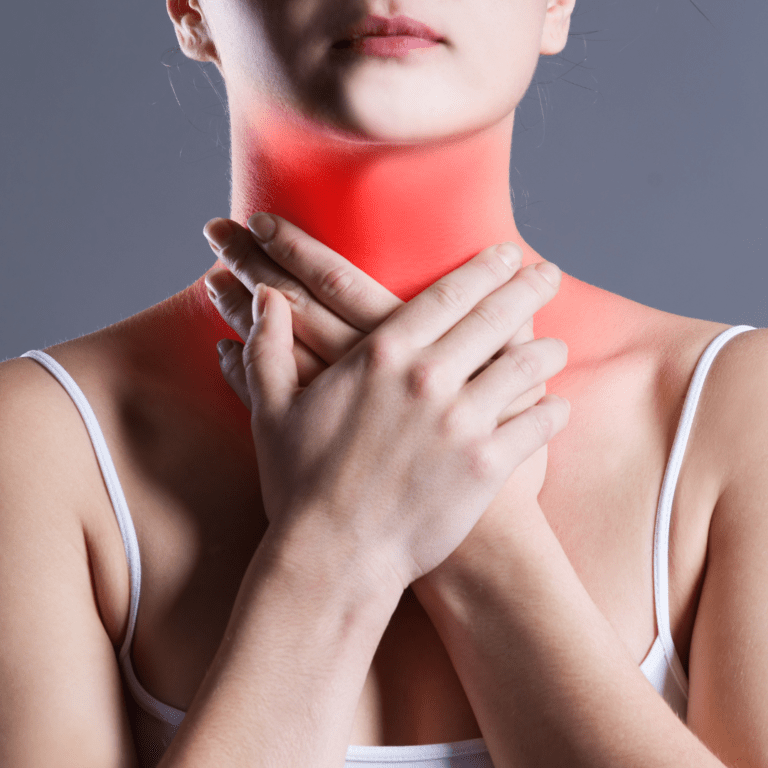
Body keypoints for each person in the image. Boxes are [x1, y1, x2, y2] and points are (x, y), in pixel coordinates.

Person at [0, 0, 765, 766]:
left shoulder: (739, 413)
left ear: (556, 5)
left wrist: (489, 540)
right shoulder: (33, 448)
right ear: (192, 9)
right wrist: (338, 544)